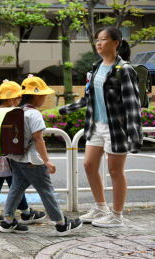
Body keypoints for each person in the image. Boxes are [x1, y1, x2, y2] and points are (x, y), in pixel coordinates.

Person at [60, 27, 142, 228]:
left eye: (103, 39)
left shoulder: (125, 70)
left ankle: (116, 215)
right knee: (89, 165)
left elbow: (133, 106)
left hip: (115, 128)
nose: (98, 43)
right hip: (95, 125)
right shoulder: (96, 68)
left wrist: (135, 137)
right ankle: (100, 207)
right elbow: (89, 98)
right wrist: (65, 109)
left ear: (116, 42)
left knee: (115, 171)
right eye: (97, 40)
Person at [0, 76, 83, 237]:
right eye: (44, 95)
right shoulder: (34, 114)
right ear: (37, 96)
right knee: (46, 190)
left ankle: (8, 221)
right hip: (32, 161)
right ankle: (61, 224)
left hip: (16, 158)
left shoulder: (16, 112)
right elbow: (38, 138)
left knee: (16, 189)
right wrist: (47, 160)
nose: (45, 98)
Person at [0, 80, 45, 224]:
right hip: (7, 152)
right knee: (15, 182)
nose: (20, 100)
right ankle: (25, 212)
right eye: (18, 97)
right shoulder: (10, 113)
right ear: (11, 98)